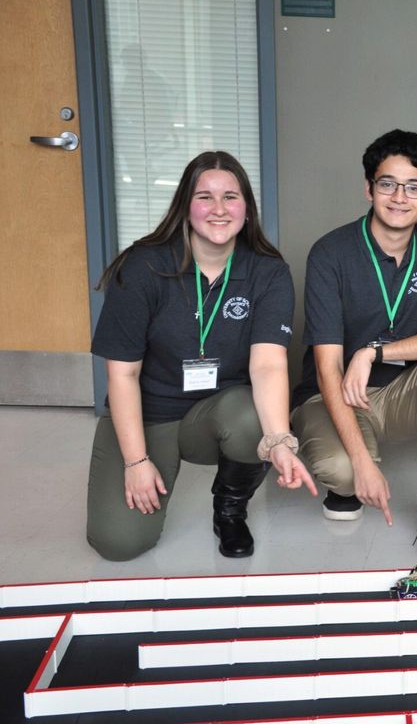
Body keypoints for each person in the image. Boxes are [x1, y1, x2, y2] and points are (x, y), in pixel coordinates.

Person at [88, 151, 316, 562]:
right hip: (149, 413)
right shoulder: (143, 267)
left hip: (219, 412)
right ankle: (141, 464)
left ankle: (229, 509)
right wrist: (136, 461)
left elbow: (267, 365)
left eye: (230, 197)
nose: (218, 209)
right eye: (204, 197)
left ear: (246, 209)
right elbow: (121, 375)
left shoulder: (268, 272)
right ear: (184, 207)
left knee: (252, 417)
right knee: (118, 543)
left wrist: (280, 442)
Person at [291, 129, 417, 566]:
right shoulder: (330, 252)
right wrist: (362, 463)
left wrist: (373, 351)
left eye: (413, 186)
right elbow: (325, 369)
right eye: (387, 183)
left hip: (398, 395)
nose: (399, 197)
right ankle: (347, 481)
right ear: (368, 188)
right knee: (342, 470)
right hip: (334, 394)